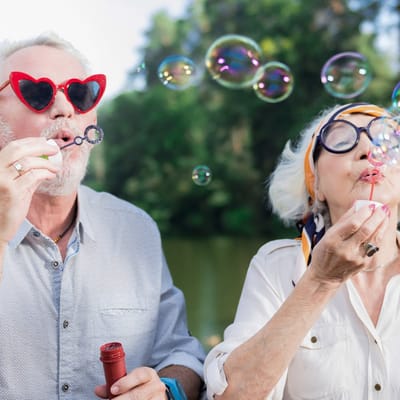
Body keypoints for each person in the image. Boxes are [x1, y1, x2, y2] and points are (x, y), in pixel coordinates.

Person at [0, 32, 205, 400]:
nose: (64, 109)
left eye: (80, 94)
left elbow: (183, 353)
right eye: (37, 92)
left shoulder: (135, 228)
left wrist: (167, 388)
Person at [204, 102, 400, 399]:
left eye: (384, 138)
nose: (367, 151)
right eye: (342, 141)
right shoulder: (277, 267)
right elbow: (232, 395)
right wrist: (320, 281)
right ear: (315, 184)